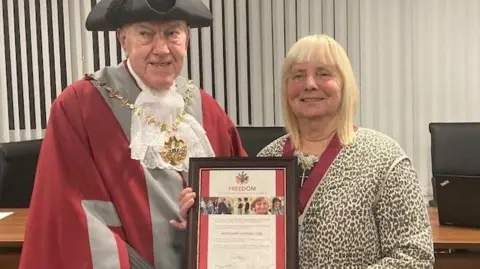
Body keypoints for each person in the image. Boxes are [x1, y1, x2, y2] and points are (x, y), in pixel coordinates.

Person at [19, 0, 246, 268]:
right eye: (146, 34)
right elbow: (69, 213)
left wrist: (207, 224)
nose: (161, 49)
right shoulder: (79, 106)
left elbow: (240, 194)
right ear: (123, 40)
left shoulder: (207, 108)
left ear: (187, 38)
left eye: (173, 33)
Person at [178, 34, 435, 268]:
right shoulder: (268, 161)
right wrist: (203, 225)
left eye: (323, 73)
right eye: (298, 75)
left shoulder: (385, 159)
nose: (309, 84)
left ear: (345, 85)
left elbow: (416, 255)